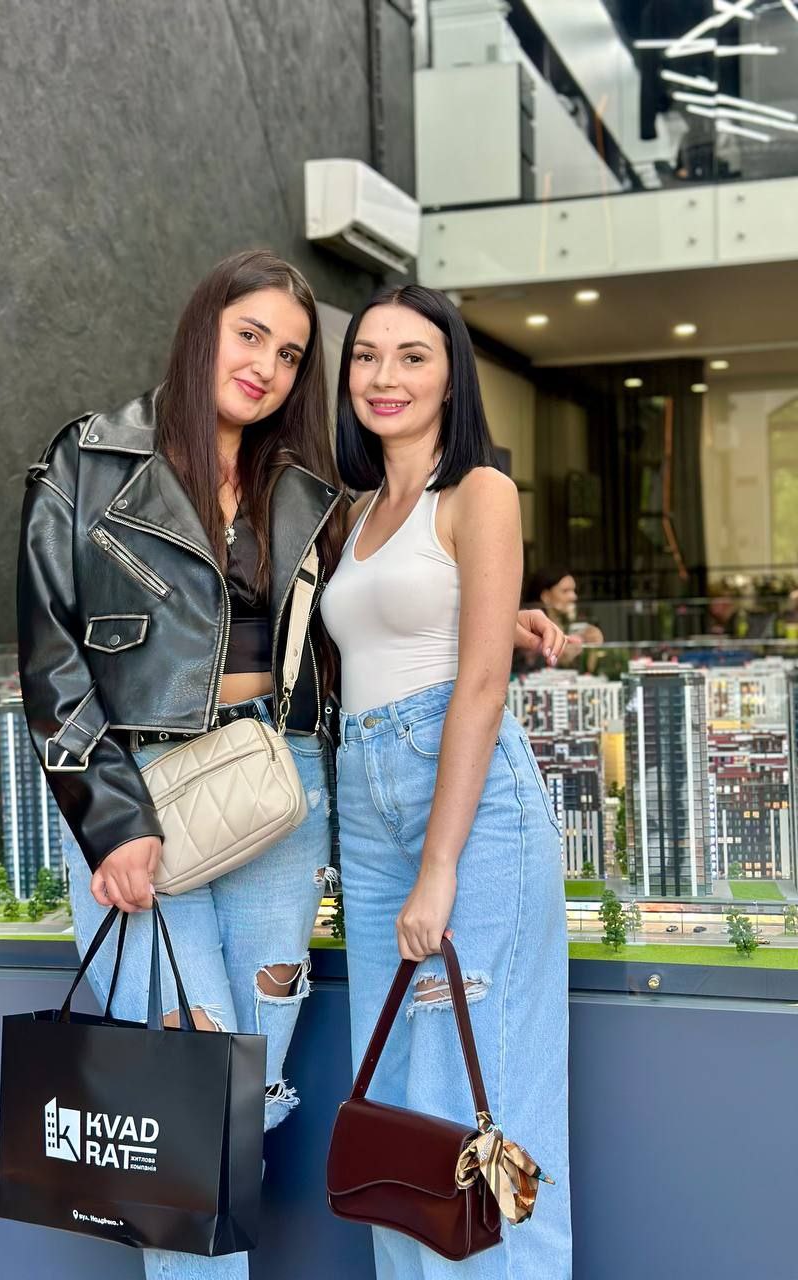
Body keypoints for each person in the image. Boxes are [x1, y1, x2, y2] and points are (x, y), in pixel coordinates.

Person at [19, 251, 566, 1279]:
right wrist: (106, 814)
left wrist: (502, 619)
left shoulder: (310, 492)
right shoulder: (90, 459)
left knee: (246, 1090)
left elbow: (372, 624)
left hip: (282, 794)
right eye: (250, 336)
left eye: (291, 353)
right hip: (142, 795)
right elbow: (50, 652)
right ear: (203, 329)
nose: (266, 365)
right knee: (186, 1098)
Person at [322, 284, 573, 1278]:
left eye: (413, 356)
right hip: (367, 804)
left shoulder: (480, 491)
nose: (385, 376)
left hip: (468, 811)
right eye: (367, 356)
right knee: (395, 1107)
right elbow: (411, 619)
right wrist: (500, 612)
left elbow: (478, 683)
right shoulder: (355, 512)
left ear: (452, 377)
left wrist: (440, 865)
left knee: (487, 1103)